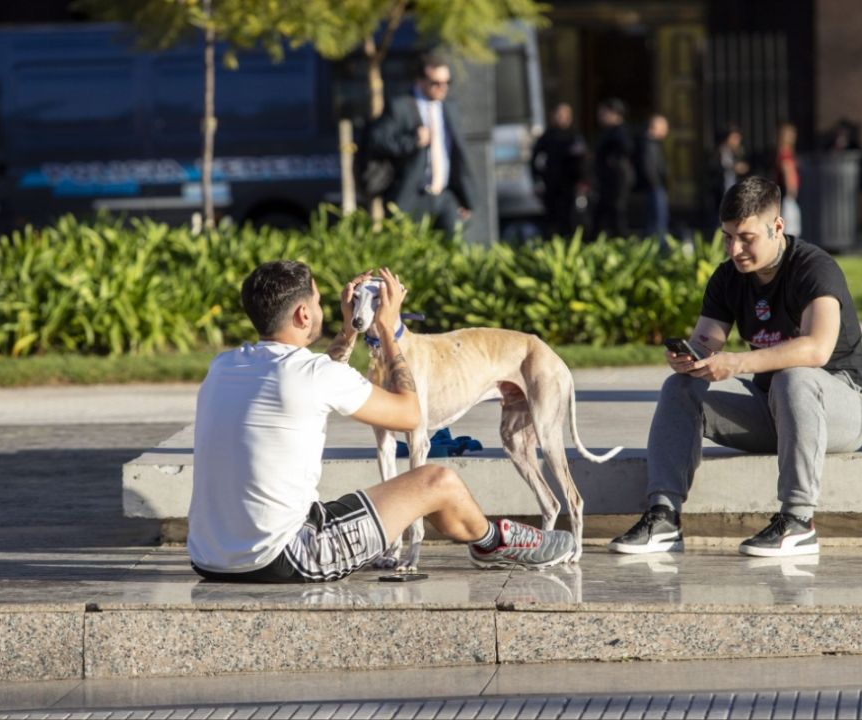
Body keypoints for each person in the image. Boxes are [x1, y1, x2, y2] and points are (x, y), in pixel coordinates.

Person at [187, 262, 575, 582]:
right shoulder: (315, 374)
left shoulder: (222, 366)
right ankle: (494, 541)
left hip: (208, 559)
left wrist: (347, 330)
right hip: (288, 556)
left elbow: (321, 372)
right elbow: (411, 415)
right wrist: (388, 330)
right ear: (304, 314)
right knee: (438, 481)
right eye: (320, 302)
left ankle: (491, 540)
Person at [608, 176, 862, 558]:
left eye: (746, 237)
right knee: (680, 388)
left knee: (795, 377)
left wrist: (739, 363)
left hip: (843, 409)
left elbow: (816, 349)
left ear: (777, 227)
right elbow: (706, 342)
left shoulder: (815, 268)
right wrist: (689, 357)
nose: (735, 249)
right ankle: (664, 516)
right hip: (775, 410)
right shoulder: (728, 278)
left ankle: (798, 521)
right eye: (727, 237)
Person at [367, 52, 478, 236]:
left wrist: (466, 199)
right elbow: (377, 140)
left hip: (445, 195)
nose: (443, 88)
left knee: (453, 250)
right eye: (436, 83)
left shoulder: (449, 106)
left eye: (447, 83)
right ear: (420, 80)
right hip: (412, 196)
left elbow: (459, 154)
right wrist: (412, 141)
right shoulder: (401, 106)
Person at [531, 102, 588, 239]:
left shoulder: (574, 136)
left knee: (571, 220)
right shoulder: (546, 137)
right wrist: (537, 182)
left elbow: (582, 161)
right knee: (551, 222)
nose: (562, 118)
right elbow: (534, 161)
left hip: (570, 186)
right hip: (551, 186)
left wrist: (583, 181)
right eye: (559, 115)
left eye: (565, 115)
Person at [592, 97, 635, 239]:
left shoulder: (620, 132)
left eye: (604, 112)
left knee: (617, 214)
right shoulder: (607, 131)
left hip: (616, 180)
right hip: (606, 180)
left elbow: (625, 150)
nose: (600, 116)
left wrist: (612, 161)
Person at [636, 113, 670, 239]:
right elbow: (649, 167)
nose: (666, 130)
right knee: (657, 221)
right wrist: (655, 183)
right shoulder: (648, 144)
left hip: (655, 186)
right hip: (654, 187)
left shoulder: (653, 143)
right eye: (664, 127)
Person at [774, 122, 802, 238]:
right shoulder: (785, 153)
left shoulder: (785, 151)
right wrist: (792, 188)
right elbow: (788, 172)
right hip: (787, 193)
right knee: (790, 225)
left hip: (785, 193)